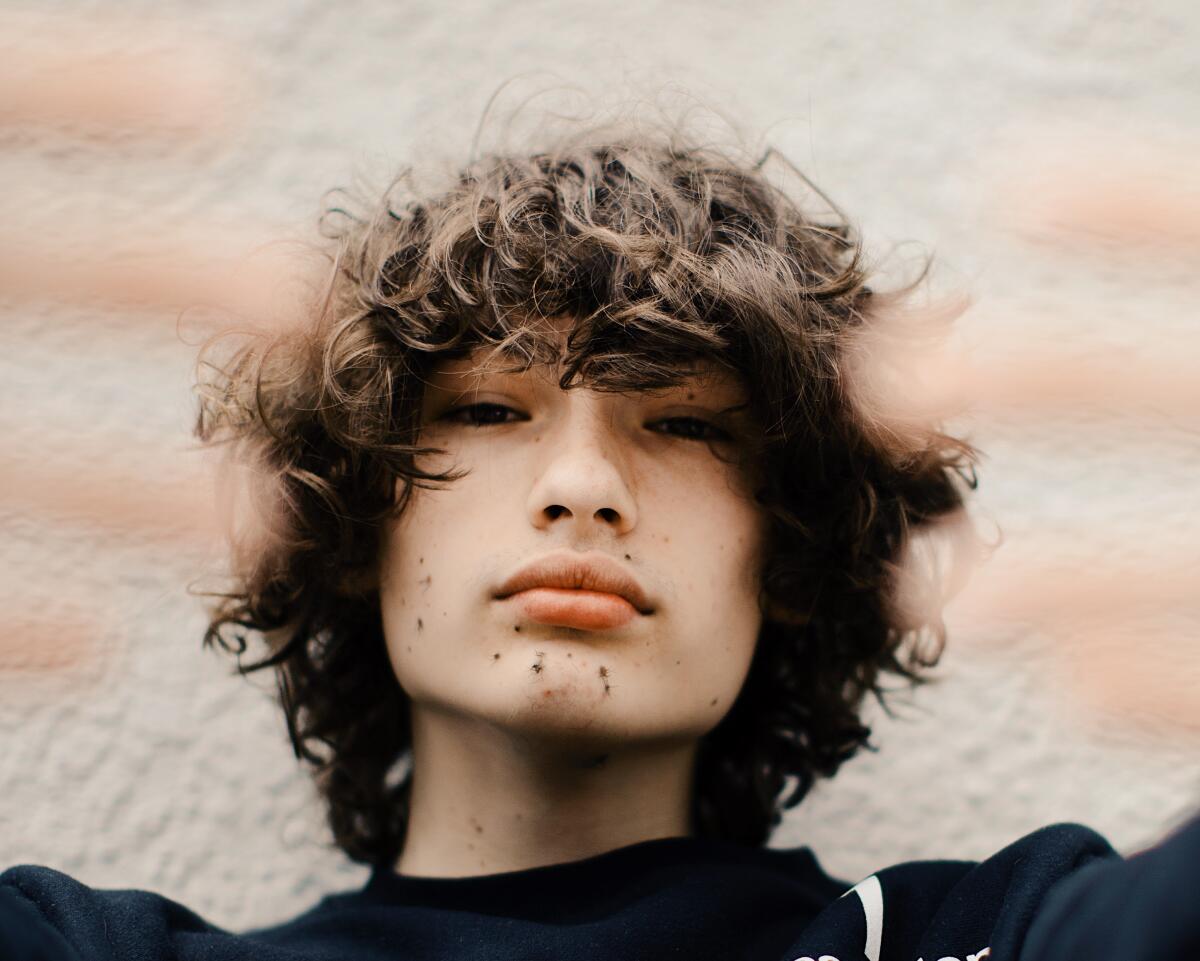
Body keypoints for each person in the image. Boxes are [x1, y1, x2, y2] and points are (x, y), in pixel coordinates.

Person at [2, 120, 1197, 961]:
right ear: (360, 518)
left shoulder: (975, 937)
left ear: (791, 554)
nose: (583, 487)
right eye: (486, 408)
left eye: (682, 423)